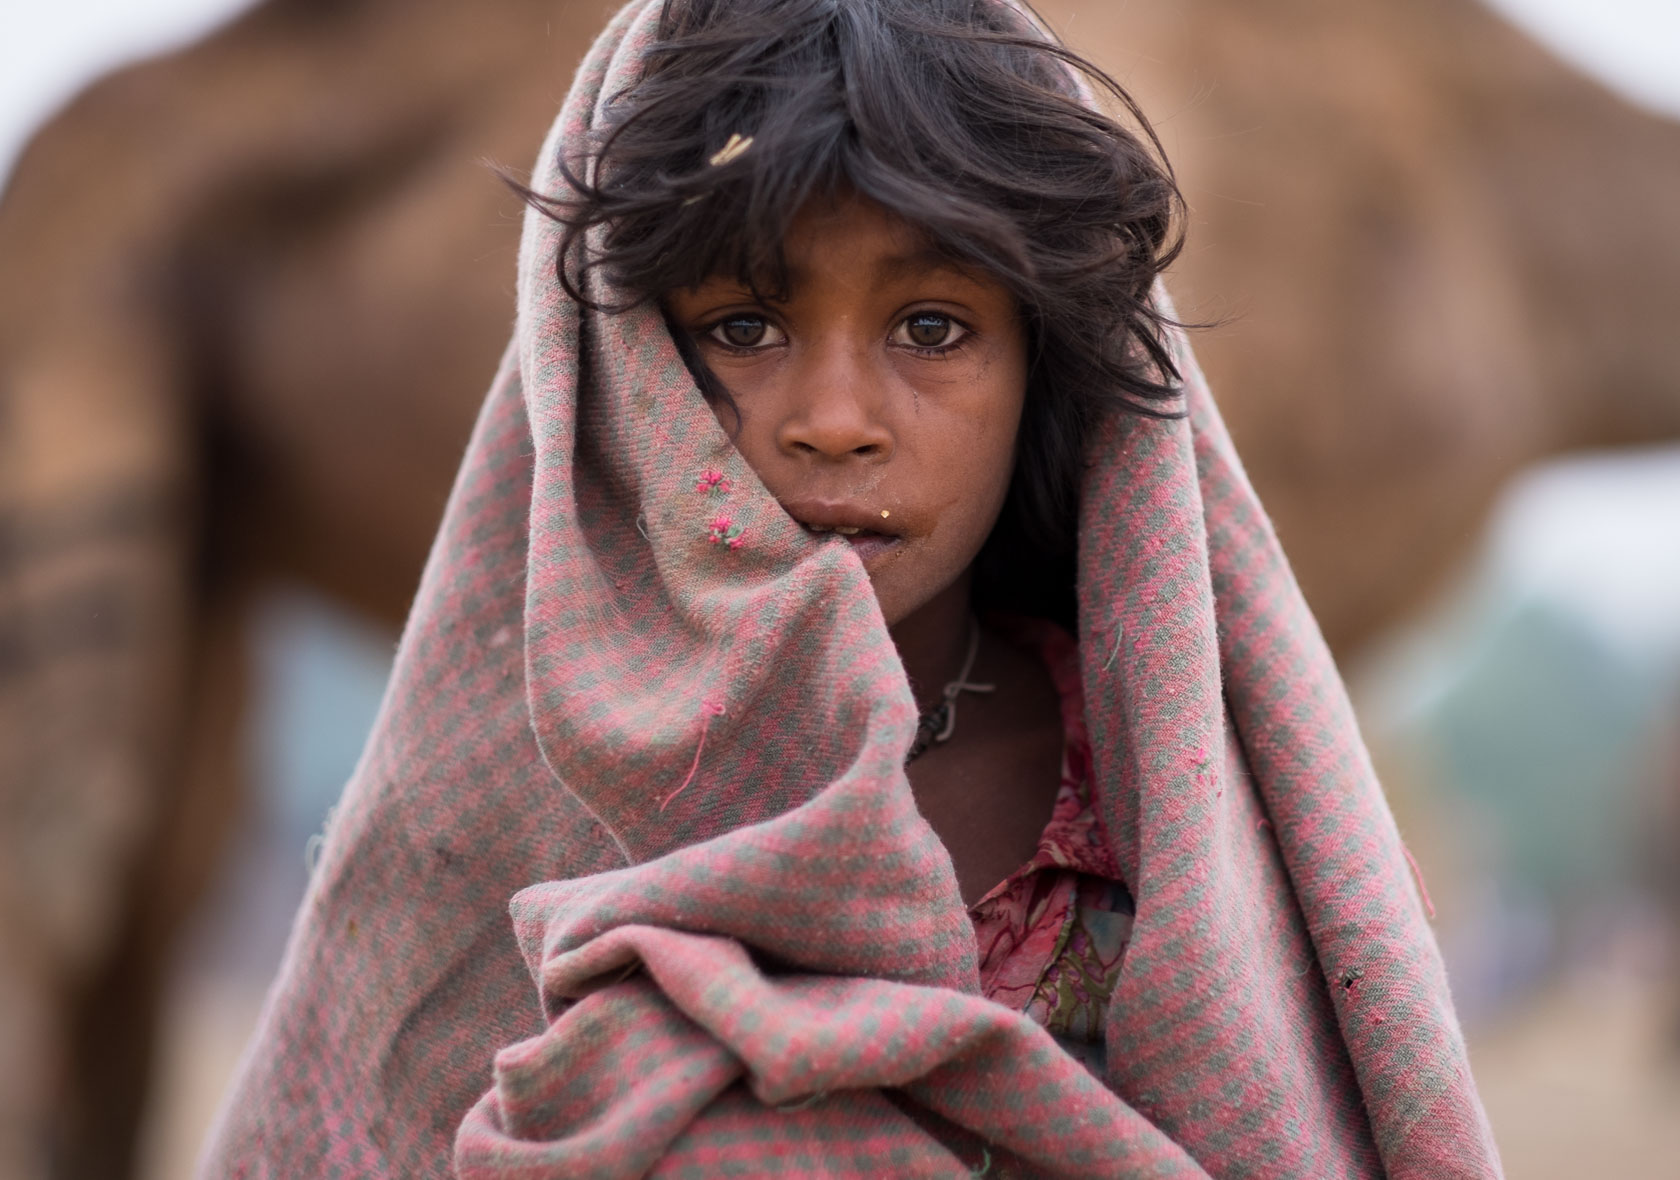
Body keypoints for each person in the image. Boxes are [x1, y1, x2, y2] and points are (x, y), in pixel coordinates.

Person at [201, 0, 1502, 1176]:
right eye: (742, 328)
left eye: (933, 327)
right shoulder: (497, 801)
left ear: (1042, 368)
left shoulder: (1169, 817)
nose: (832, 420)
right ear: (624, 364)